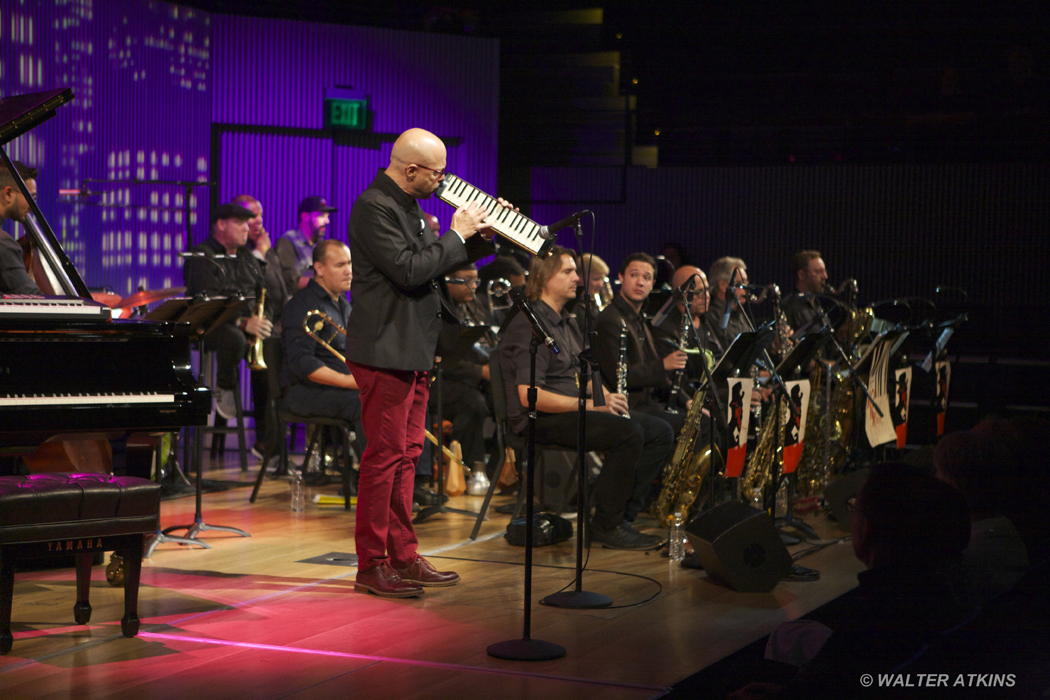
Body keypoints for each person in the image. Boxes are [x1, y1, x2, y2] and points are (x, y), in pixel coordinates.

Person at [345, 127, 498, 598]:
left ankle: (403, 556)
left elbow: (431, 262)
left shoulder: (407, 205)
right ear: (411, 169)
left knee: (409, 455)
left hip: (412, 346)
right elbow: (409, 270)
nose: (443, 180)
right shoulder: (374, 206)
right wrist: (456, 233)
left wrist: (482, 237)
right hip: (385, 349)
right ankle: (372, 564)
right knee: (384, 457)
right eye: (438, 172)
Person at [499, 246, 675, 548]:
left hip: (570, 409)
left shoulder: (565, 321)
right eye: (567, 271)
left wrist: (608, 397)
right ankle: (605, 525)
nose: (577, 278)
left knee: (659, 431)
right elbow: (530, 396)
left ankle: (622, 517)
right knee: (628, 434)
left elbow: (586, 371)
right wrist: (589, 404)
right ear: (542, 277)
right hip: (540, 419)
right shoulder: (530, 324)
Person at [184, 202, 274, 419]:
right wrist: (243, 322)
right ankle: (224, 385)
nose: (247, 228)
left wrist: (261, 322)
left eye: (247, 223)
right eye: (240, 223)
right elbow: (209, 300)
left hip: (247, 324)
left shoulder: (247, 257)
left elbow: (265, 293)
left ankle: (266, 442)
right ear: (221, 224)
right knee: (234, 339)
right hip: (211, 325)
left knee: (274, 347)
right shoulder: (201, 255)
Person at [280, 239, 363, 455]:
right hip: (305, 392)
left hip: (336, 389)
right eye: (340, 265)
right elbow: (303, 363)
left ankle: (407, 478)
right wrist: (348, 381)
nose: (349, 271)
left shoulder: (344, 305)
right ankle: (371, 479)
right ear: (319, 268)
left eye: (350, 264)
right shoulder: (303, 306)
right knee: (368, 404)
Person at [594, 252, 688, 434]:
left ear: (653, 284)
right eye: (634, 275)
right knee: (675, 427)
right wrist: (663, 365)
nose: (640, 282)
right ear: (621, 277)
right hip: (628, 405)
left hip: (647, 402)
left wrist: (686, 400)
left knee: (701, 420)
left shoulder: (639, 319)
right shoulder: (610, 320)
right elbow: (618, 375)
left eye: (646, 278)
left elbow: (651, 367)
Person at [231, 194, 289, 455]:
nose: (257, 221)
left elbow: (280, 291)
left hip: (272, 325)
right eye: (250, 216)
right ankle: (266, 442)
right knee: (268, 360)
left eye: (260, 215)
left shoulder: (265, 248)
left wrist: (266, 252)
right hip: (244, 327)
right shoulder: (240, 253)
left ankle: (276, 442)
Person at [433, 261, 493, 473]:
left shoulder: (468, 307)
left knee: (500, 392)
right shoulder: (436, 309)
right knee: (473, 402)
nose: (474, 286)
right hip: (435, 379)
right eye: (466, 281)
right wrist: (480, 371)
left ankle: (500, 464)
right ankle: (466, 468)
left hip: (458, 379)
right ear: (446, 282)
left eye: (475, 280)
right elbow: (439, 358)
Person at [275, 196, 337, 294]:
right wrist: (328, 279)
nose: (327, 221)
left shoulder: (321, 245)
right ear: (304, 216)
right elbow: (290, 284)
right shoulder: (287, 242)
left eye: (327, 216)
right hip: (298, 306)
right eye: (321, 216)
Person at [0, 160, 41, 295]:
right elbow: (34, 301)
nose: (32, 205)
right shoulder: (4, 245)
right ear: (8, 194)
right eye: (31, 197)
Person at [705, 256, 751, 352]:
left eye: (746, 282)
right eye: (740, 283)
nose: (746, 288)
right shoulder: (710, 317)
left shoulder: (739, 313)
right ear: (723, 285)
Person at [781, 250, 828, 335]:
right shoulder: (789, 306)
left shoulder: (818, 306)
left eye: (825, 271)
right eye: (819, 272)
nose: (825, 276)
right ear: (801, 275)